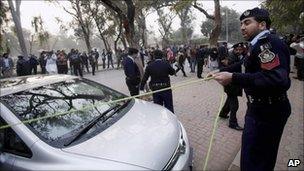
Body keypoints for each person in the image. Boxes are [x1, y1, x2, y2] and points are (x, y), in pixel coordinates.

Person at [209, 8, 291, 171]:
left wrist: (232, 78)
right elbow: (244, 65)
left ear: (262, 25)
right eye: (241, 24)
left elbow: (276, 79)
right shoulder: (256, 45)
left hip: (268, 112)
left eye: (247, 23)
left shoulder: (269, 44)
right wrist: (222, 71)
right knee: (251, 157)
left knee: (256, 161)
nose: (242, 27)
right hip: (258, 108)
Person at [219, 42, 244, 131]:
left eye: (240, 50)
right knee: (235, 105)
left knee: (229, 99)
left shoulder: (238, 56)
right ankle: (232, 123)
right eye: (237, 50)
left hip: (234, 84)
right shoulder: (231, 58)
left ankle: (223, 113)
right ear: (234, 49)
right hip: (231, 84)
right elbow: (231, 68)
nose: (239, 51)